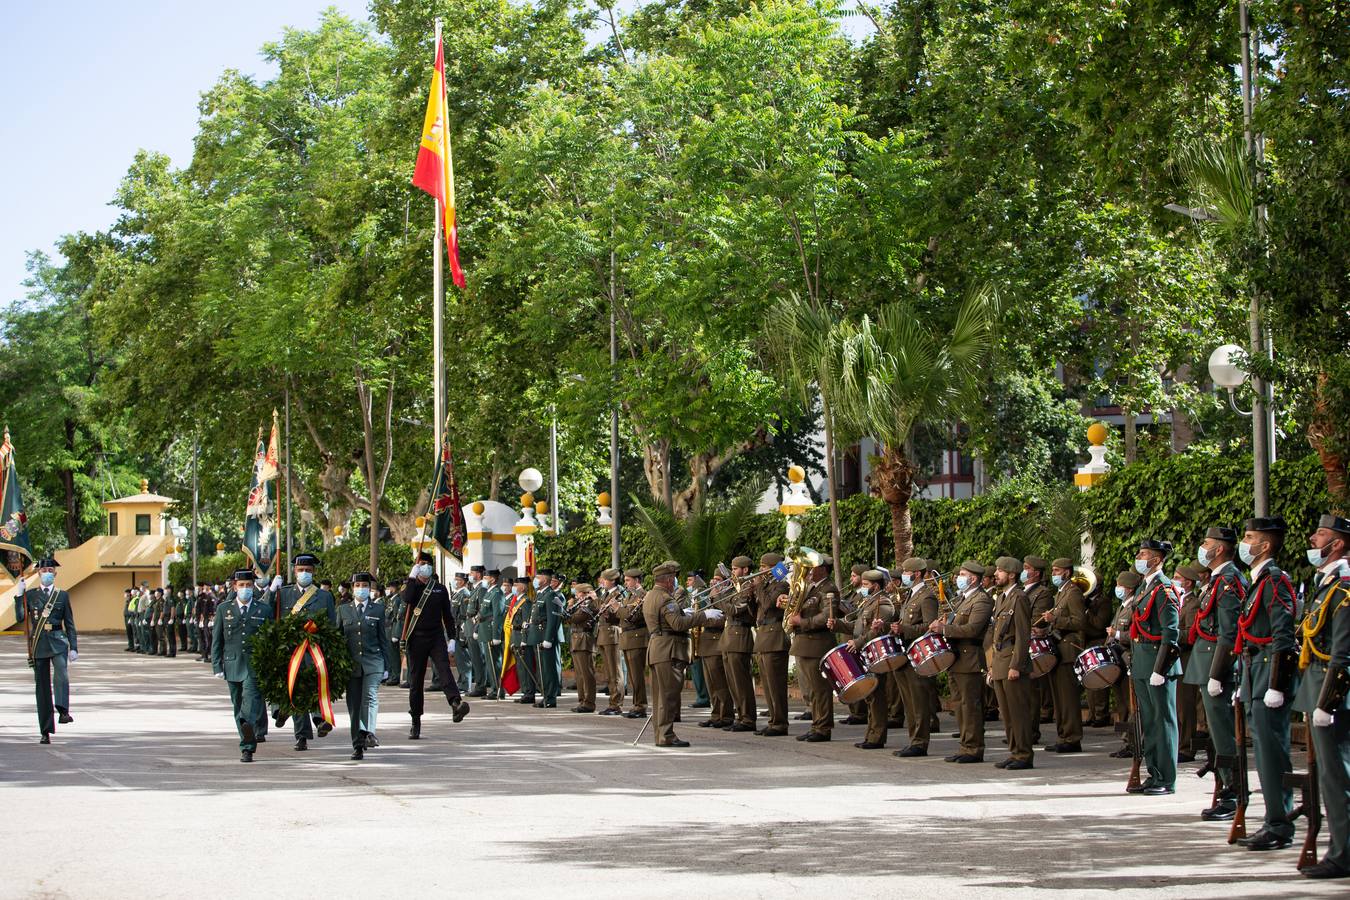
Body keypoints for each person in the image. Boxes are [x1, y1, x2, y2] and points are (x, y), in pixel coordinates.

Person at [1234, 517, 1299, 850]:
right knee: (1263, 752)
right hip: (1253, 673)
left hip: (1267, 675)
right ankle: (1273, 819)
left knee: (1273, 754)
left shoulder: (1275, 581)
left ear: (1266, 545)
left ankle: (1280, 824)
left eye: (1249, 538)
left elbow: (1283, 637)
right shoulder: (1257, 581)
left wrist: (1277, 683)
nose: (1244, 544)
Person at [1304, 518, 1350, 879]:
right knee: (1332, 775)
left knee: (1338, 776)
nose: (1312, 539)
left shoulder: (1343, 589)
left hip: (1332, 694)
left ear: (1336, 545)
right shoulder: (1326, 585)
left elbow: (1343, 653)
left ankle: (1343, 853)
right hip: (1318, 687)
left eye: (1320, 535)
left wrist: (1328, 701)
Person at [643, 560, 722, 747]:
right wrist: (704, 616)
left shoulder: (650, 596)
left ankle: (661, 734)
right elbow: (677, 624)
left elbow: (670, 619)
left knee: (660, 696)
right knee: (668, 697)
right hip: (669, 650)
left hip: (658, 648)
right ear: (669, 580)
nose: (675, 582)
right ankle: (666, 735)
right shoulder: (665, 598)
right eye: (674, 578)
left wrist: (684, 613)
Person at [265, 552, 338, 751]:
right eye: (300, 570)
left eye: (307, 570)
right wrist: (272, 591)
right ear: (294, 572)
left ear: (313, 572)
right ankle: (302, 736)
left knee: (315, 687)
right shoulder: (284, 593)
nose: (304, 573)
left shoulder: (324, 596)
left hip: (315, 650)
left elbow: (332, 624)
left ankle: (319, 720)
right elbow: (266, 612)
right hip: (291, 650)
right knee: (295, 691)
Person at [1127, 539, 1181, 796]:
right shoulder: (1143, 588)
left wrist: (1161, 669)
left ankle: (1167, 778)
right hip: (1142, 660)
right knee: (1149, 722)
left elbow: (1171, 633)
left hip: (1158, 663)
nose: (1139, 557)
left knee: (1163, 721)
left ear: (1157, 560)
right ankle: (1154, 773)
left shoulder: (1164, 589)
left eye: (1144, 554)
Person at [402, 551, 471, 738]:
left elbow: (447, 616)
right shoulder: (413, 587)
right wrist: (411, 577)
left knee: (444, 669)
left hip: (436, 637)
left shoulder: (440, 589)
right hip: (416, 638)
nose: (424, 566)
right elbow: (407, 599)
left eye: (427, 563)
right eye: (421, 563)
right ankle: (415, 721)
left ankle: (456, 703)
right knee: (416, 681)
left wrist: (452, 638)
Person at [930, 561, 992, 763]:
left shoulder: (981, 600)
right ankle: (965, 746)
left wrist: (945, 630)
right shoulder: (962, 599)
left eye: (963, 574)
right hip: (956, 658)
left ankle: (974, 748)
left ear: (973, 579)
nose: (959, 578)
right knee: (959, 704)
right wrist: (942, 624)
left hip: (970, 658)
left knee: (970, 706)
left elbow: (973, 629)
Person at [211, 569, 274, 762]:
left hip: (254, 665)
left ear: (253, 586)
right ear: (234, 587)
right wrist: (216, 666)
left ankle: (247, 746)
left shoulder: (264, 609)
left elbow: (271, 639)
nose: (245, 589)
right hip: (232, 664)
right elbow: (217, 640)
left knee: (250, 700)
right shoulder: (224, 609)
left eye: (248, 585)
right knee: (237, 704)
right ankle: (245, 732)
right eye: (241, 585)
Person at [13, 557, 77, 743]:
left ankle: (63, 710)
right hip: (39, 644)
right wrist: (19, 596)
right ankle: (45, 730)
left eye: (50, 570)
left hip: (58, 641)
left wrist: (74, 647)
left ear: (55, 573)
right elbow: (20, 616)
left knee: (61, 675)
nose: (47, 573)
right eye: (44, 570)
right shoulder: (31, 595)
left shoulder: (62, 595)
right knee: (42, 688)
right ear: (38, 574)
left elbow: (70, 624)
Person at [990, 556, 1035, 770]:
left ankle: (1024, 754)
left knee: (1018, 712)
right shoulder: (1001, 598)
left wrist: (1016, 665)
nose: (996, 574)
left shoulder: (1019, 598)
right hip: (1000, 660)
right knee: (1006, 713)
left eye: (1000, 570)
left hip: (1012, 662)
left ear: (1011, 574)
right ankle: (1014, 751)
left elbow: (1023, 636)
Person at [339, 572, 390, 760]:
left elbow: (382, 639)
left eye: (364, 585)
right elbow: (338, 639)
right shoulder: (343, 610)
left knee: (370, 696)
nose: (361, 588)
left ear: (370, 588)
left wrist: (387, 666)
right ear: (352, 588)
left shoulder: (378, 610)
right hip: (351, 664)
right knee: (354, 705)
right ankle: (358, 744)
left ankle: (368, 733)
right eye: (357, 585)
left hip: (373, 661)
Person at [892, 557, 939, 757]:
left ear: (917, 573)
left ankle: (920, 742)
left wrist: (905, 629)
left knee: (919, 700)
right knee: (909, 700)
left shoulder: (926, 596)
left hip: (917, 653)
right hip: (905, 652)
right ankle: (913, 739)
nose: (903, 575)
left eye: (906, 572)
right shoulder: (910, 594)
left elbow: (929, 626)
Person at [1039, 558, 1087, 753]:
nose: (1054, 574)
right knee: (1059, 697)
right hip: (1058, 649)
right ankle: (1063, 735)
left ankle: (1072, 737)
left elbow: (1079, 621)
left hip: (1068, 650)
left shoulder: (1073, 592)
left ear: (1067, 573)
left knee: (1068, 698)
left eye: (1057, 570)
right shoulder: (1062, 593)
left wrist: (1055, 618)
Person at [790, 555, 837, 743]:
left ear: (823, 569)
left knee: (820, 689)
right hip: (805, 644)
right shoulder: (811, 588)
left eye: (813, 568)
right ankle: (817, 725)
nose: (809, 571)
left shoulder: (829, 589)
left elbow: (827, 615)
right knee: (812, 689)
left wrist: (803, 622)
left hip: (817, 643)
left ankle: (823, 727)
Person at [849, 568, 897, 750]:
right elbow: (858, 627)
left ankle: (877, 736)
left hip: (876, 654)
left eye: (865, 585)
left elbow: (874, 632)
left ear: (875, 586)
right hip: (866, 654)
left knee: (876, 697)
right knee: (870, 696)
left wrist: (858, 642)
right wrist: (837, 624)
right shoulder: (868, 602)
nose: (862, 588)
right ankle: (871, 734)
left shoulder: (883, 605)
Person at [720, 557, 758, 732]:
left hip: (740, 635)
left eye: (736, 569)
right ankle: (740, 715)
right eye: (732, 568)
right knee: (732, 682)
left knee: (741, 681)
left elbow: (735, 610)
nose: (733, 572)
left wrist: (719, 596)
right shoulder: (736, 587)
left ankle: (748, 718)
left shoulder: (748, 586)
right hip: (729, 637)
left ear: (745, 570)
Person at [754, 553, 790, 737]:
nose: (760, 571)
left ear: (772, 568)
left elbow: (768, 605)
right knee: (768, 685)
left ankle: (780, 723)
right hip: (763, 636)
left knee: (776, 684)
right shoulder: (767, 585)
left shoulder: (782, 584)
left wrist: (758, 585)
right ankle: (773, 720)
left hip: (774, 636)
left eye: (763, 567)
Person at [1173, 564, 1206, 763]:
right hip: (1173, 657)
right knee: (1175, 705)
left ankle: (1186, 747)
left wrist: (1170, 633)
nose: (1174, 580)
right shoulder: (1176, 601)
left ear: (1188, 581)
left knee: (1185, 705)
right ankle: (1178, 743)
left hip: (1185, 658)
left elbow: (1190, 634)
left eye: (1177, 577)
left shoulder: (1193, 603)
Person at [696, 570, 733, 729]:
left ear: (725, 581)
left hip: (717, 641)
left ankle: (726, 715)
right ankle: (716, 713)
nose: (713, 582)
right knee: (711, 684)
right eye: (713, 579)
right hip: (706, 643)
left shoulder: (727, 596)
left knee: (720, 683)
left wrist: (703, 618)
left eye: (717, 579)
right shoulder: (709, 596)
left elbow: (723, 619)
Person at [619, 567, 649, 719]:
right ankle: (636, 704)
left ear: (637, 581)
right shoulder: (629, 596)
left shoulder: (641, 595)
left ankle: (641, 706)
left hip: (637, 638)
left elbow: (632, 616)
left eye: (628, 580)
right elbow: (623, 616)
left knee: (637, 675)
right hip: (628, 638)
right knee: (632, 676)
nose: (625, 583)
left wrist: (617, 609)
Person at [595, 569, 626, 715]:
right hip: (603, 634)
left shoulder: (617, 594)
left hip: (612, 634)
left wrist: (608, 613)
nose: (602, 582)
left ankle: (616, 704)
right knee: (609, 672)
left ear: (612, 580)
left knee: (615, 671)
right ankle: (612, 702)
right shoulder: (606, 594)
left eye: (604, 580)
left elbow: (619, 615)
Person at [567, 582, 600, 713]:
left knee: (587, 674)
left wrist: (569, 607)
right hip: (576, 640)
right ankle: (582, 700)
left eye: (578, 593)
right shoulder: (580, 605)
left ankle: (589, 702)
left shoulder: (590, 605)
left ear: (585, 593)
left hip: (584, 640)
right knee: (580, 674)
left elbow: (574, 618)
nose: (576, 595)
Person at [477, 569, 504, 700]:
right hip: (484, 630)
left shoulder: (497, 593)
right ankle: (494, 688)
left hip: (490, 631)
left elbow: (498, 615)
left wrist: (496, 635)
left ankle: (497, 690)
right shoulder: (489, 592)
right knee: (490, 662)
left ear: (492, 579)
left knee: (494, 662)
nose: (484, 580)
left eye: (485, 577)